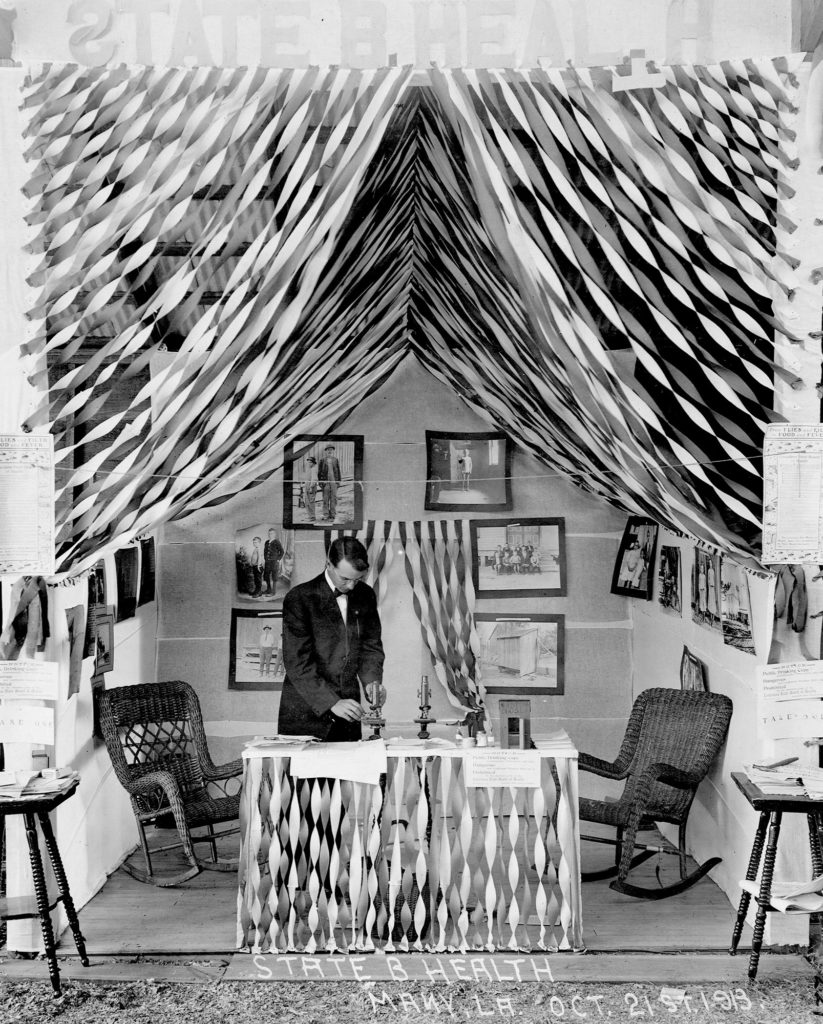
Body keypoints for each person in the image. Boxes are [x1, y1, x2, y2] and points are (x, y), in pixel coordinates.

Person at [278, 537, 384, 741]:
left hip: (349, 711)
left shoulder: (366, 595)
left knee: (350, 772)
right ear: (329, 564)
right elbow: (297, 662)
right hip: (307, 710)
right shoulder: (300, 598)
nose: (352, 586)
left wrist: (372, 683)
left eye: (358, 579)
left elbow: (371, 646)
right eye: (345, 579)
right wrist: (332, 702)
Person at [318, 444, 341, 522]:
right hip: (326, 483)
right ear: (326, 451)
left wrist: (338, 482)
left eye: (331, 449)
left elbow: (338, 471)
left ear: (333, 451)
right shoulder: (322, 460)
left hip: (333, 482)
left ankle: (333, 515)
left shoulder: (335, 460)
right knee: (325, 499)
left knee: (333, 499)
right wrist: (321, 482)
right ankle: (326, 514)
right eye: (328, 450)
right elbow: (319, 472)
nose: (330, 451)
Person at [263, 528, 284, 595]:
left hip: (274, 562)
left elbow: (282, 551)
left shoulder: (276, 542)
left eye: (272, 533)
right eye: (269, 533)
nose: (270, 535)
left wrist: (278, 559)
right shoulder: (266, 542)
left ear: (274, 534)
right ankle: (268, 589)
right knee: (266, 576)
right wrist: (265, 559)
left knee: (274, 576)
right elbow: (265, 552)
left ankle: (273, 592)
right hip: (267, 562)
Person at [302, 456, 318, 522]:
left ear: (313, 463)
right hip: (307, 487)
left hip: (311, 488)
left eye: (310, 462)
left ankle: (312, 517)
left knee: (311, 502)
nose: (309, 463)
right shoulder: (309, 469)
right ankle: (310, 516)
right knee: (307, 502)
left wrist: (311, 487)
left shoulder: (314, 469)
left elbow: (314, 479)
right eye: (308, 462)